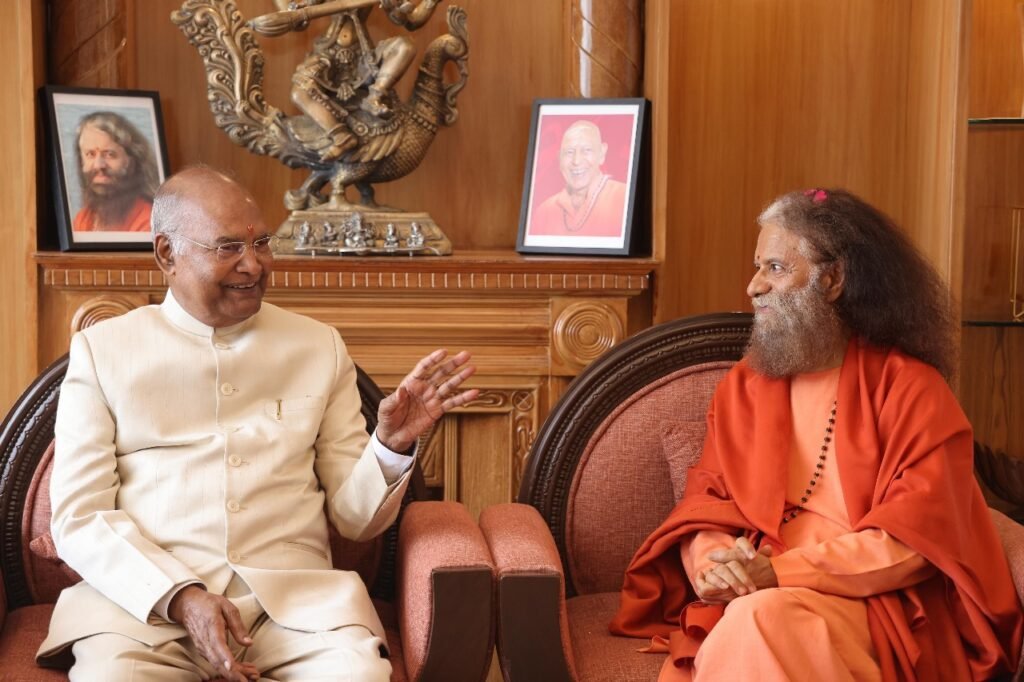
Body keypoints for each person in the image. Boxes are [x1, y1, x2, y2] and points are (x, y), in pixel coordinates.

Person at [37, 166, 478, 681]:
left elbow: (355, 520)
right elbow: (79, 516)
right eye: (228, 247)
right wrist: (179, 596)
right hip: (145, 614)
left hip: (296, 614)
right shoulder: (104, 352)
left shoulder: (318, 346)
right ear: (166, 253)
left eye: (262, 243)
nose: (253, 264)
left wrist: (390, 445)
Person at [610, 188, 1024, 680]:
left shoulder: (912, 388)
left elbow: (918, 539)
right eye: (757, 267)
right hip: (754, 590)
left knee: (757, 619)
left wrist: (779, 573)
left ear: (833, 280)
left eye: (775, 268)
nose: (753, 286)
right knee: (753, 616)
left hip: (869, 597)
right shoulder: (744, 387)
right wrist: (714, 566)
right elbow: (707, 503)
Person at [252, 0, 440, 160]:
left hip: (363, 55)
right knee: (299, 93)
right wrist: (299, 7)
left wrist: (412, 6)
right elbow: (297, 21)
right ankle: (341, 136)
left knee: (405, 46)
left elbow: (411, 21)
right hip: (328, 53)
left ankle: (375, 96)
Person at [532, 120, 628, 236]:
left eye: (587, 150)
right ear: (559, 158)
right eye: (569, 152)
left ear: (602, 153)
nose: (576, 161)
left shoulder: (625, 197)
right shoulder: (544, 211)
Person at [72, 111, 160, 232]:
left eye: (110, 154)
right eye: (90, 154)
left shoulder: (147, 220)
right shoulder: (84, 218)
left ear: (131, 163)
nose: (99, 165)